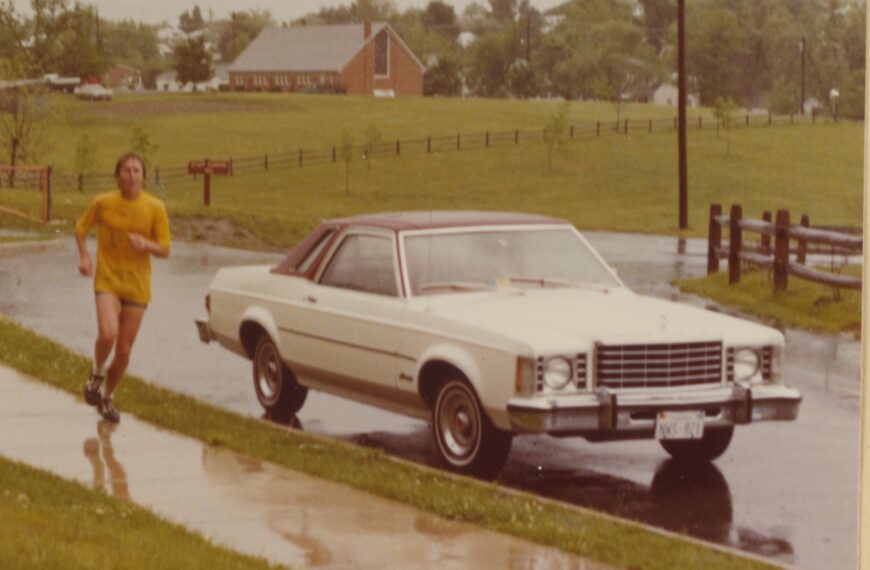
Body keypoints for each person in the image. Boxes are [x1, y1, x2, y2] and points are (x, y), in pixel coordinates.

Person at [75, 152, 170, 423]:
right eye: (126, 170)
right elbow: (80, 229)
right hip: (108, 280)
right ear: (117, 176)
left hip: (137, 287)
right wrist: (84, 257)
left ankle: (106, 397)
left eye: (137, 170)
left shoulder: (155, 208)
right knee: (108, 334)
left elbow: (165, 248)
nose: (132, 175)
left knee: (125, 351)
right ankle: (96, 373)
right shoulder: (103, 203)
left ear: (143, 177)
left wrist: (146, 244)